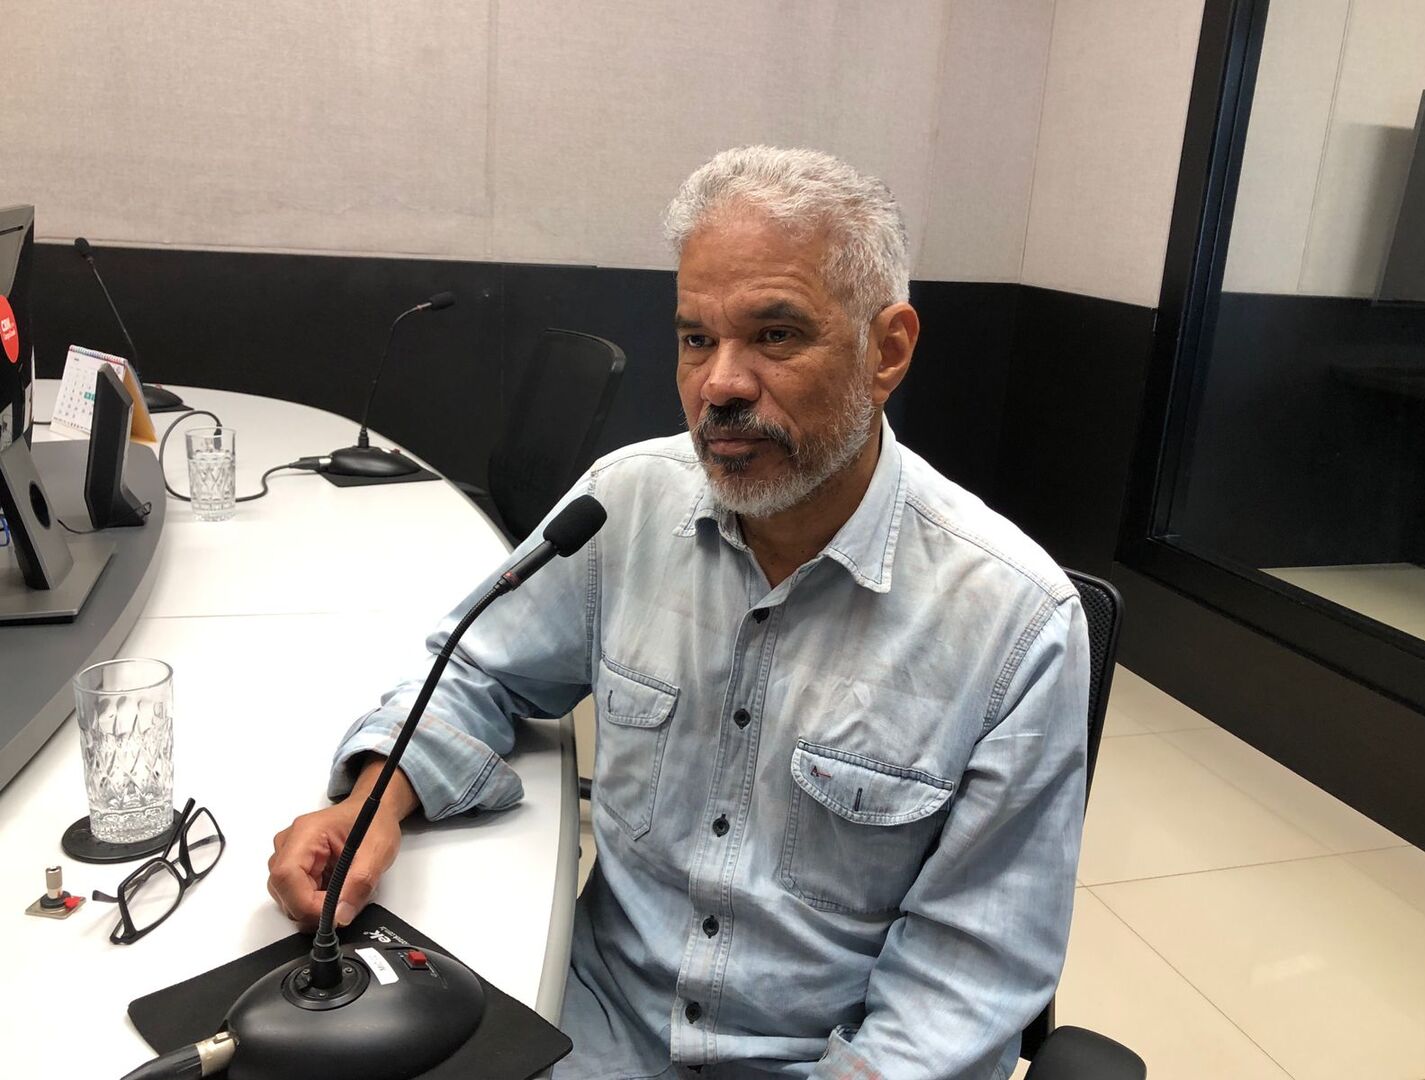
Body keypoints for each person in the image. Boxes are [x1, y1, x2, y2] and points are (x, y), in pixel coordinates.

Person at [268, 145, 1089, 1080]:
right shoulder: (627, 505)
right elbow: (475, 665)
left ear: (887, 350)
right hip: (590, 1025)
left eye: (775, 335)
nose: (720, 385)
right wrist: (378, 795)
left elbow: (967, 979)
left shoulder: (1017, 623)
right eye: (697, 339)